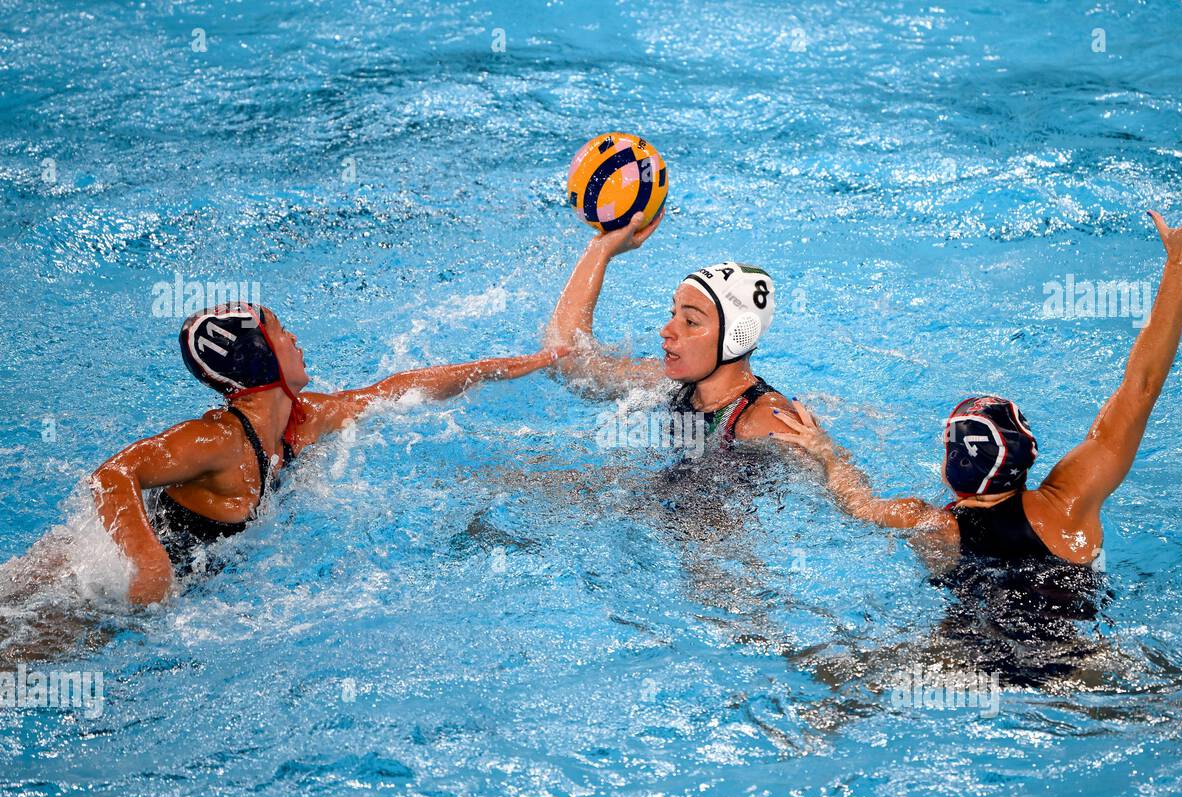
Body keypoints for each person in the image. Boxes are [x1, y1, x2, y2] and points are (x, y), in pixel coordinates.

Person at [772, 186, 1182, 577]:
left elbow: (855, 502)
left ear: (950, 471)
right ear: (1027, 455)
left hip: (963, 665)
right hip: (1076, 668)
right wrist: (1179, 268)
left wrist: (827, 452)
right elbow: (1141, 386)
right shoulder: (1070, 502)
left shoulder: (933, 525)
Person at [90, 301, 565, 605]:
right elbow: (112, 474)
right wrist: (148, 563)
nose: (294, 339)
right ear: (258, 356)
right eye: (280, 331)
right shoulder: (219, 439)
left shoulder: (302, 420)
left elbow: (395, 390)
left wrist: (517, 364)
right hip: (83, 588)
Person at [542, 210, 799, 454]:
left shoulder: (766, 420)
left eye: (691, 321)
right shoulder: (669, 384)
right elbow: (566, 362)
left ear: (737, 336)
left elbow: (835, 479)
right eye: (673, 314)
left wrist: (826, 457)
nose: (666, 331)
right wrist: (600, 250)